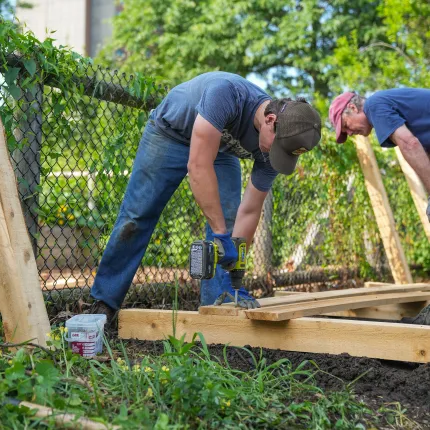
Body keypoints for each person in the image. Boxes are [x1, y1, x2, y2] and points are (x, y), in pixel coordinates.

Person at [90, 71, 321, 322]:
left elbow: (251, 209)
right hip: (170, 133)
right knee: (137, 216)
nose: (275, 155)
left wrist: (237, 264)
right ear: (270, 120)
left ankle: (219, 307)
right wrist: (221, 234)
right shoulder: (226, 94)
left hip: (220, 150)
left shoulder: (271, 153)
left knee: (229, 222)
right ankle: (104, 302)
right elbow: (198, 166)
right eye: (278, 148)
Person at [329, 89, 430, 325]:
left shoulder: (375, 105)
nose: (349, 133)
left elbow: (410, 143)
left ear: (353, 108)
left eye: (345, 126)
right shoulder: (395, 106)